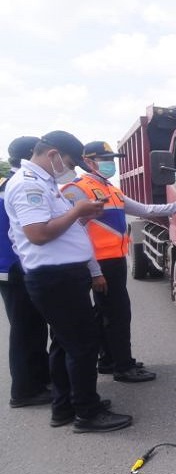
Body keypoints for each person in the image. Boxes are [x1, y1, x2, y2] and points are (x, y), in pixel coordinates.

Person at [4, 130, 132, 432]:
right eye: (69, 162)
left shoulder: (46, 184)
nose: (70, 169)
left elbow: (57, 227)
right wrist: (78, 210)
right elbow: (38, 234)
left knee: (64, 344)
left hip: (63, 277)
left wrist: (81, 216)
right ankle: (87, 413)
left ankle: (65, 407)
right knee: (83, 347)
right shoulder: (27, 185)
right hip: (55, 279)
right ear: (52, 155)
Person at [61, 141, 176, 383]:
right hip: (99, 264)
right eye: (105, 158)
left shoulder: (110, 189)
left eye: (112, 158)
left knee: (106, 314)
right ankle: (124, 366)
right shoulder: (77, 190)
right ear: (88, 161)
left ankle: (109, 360)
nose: (111, 164)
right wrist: (95, 271)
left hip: (114, 261)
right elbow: (75, 234)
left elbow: (145, 209)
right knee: (117, 316)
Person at [0, 136, 51, 408]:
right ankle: (24, 391)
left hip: (12, 267)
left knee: (32, 326)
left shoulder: (9, 183)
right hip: (14, 267)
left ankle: (40, 378)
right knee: (25, 329)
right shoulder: (19, 185)